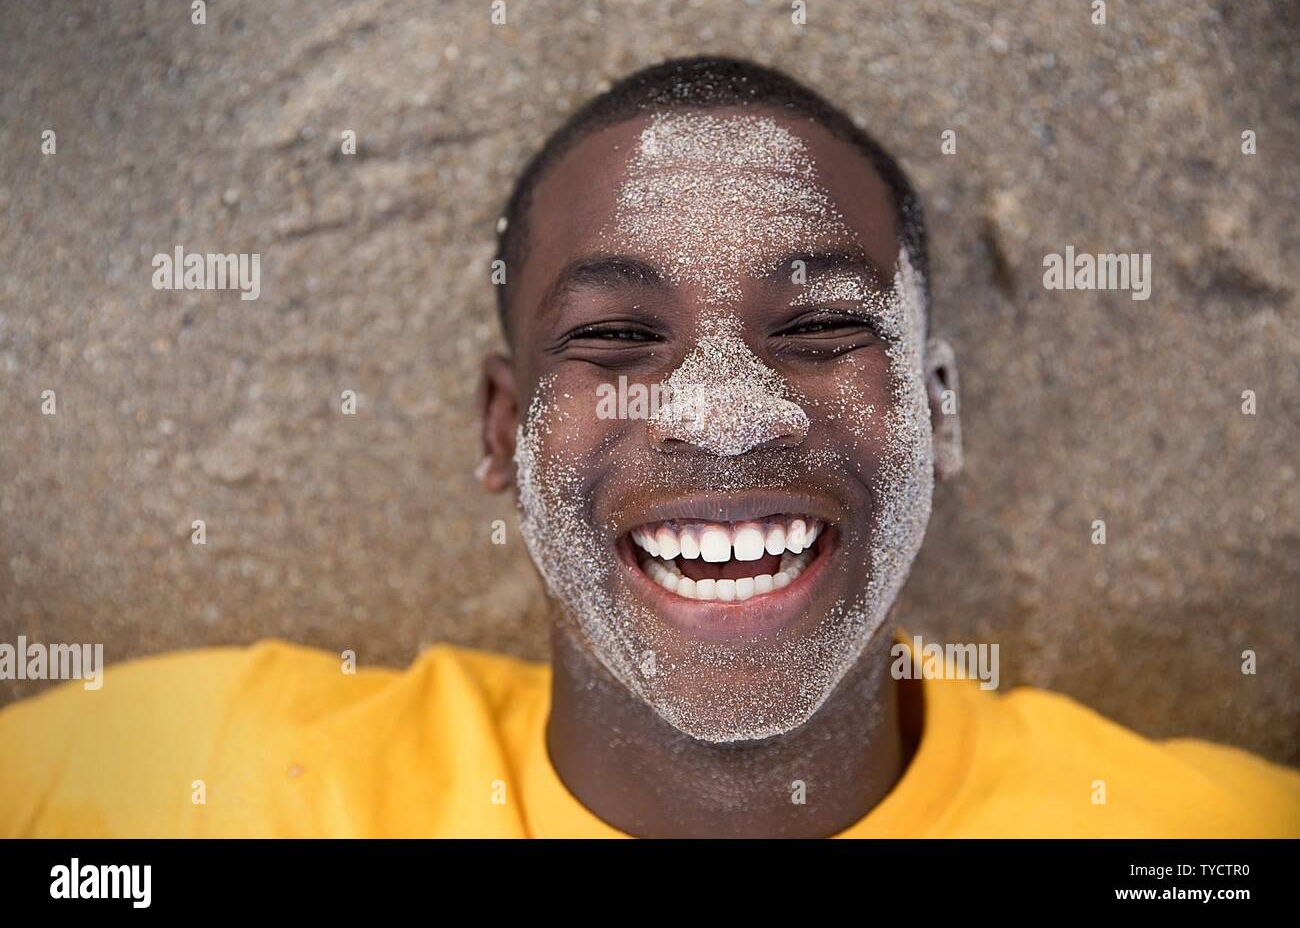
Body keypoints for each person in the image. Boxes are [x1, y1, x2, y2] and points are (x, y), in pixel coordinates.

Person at [1, 57, 1296, 838]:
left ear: (938, 411)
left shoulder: (1204, 841)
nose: (727, 409)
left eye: (824, 326)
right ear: (504, 430)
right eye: (619, 334)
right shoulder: (184, 783)